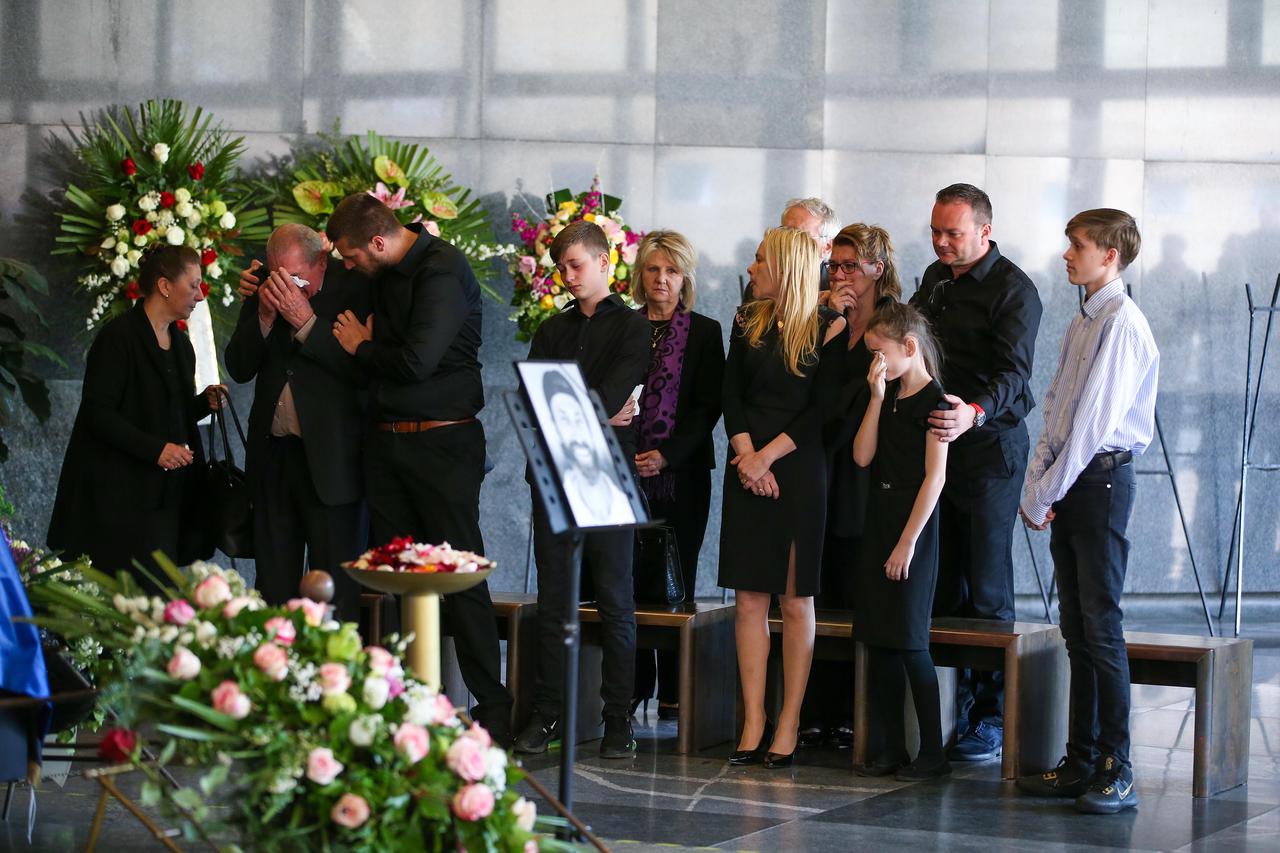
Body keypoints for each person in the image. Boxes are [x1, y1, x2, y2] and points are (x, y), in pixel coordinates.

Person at [326, 193, 513, 744]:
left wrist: (362, 348)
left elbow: (415, 362)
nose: (349, 267)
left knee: (459, 575)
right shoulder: (380, 271)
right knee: (399, 577)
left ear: (377, 242)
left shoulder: (442, 268)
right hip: (387, 446)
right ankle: (411, 701)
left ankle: (493, 708)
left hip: (443, 446)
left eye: (352, 257)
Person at [1016, 209, 1157, 815]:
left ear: (1110, 255)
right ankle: (1080, 760)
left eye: (1077, 245)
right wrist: (1037, 484)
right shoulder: (1084, 319)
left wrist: (1045, 491)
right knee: (1076, 627)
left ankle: (1116, 767)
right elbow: (1055, 410)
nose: (1066, 254)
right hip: (1075, 480)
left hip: (1100, 482)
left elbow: (1094, 425)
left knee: (1101, 626)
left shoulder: (1121, 322)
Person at [910, 183, 1043, 762]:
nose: (941, 242)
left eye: (953, 233)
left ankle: (990, 718)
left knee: (986, 589)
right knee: (943, 582)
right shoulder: (935, 279)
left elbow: (1014, 376)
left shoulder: (1015, 290)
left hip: (990, 449)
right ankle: (948, 713)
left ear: (985, 231)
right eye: (935, 231)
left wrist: (975, 411)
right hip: (939, 444)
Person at [514, 220, 650, 760]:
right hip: (554, 473)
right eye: (561, 268)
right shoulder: (552, 329)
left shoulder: (634, 326)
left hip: (608, 474)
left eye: (576, 265)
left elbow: (613, 394)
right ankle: (548, 713)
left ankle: (618, 719)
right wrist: (595, 411)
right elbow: (534, 400)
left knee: (615, 598)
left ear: (604, 262)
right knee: (554, 599)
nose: (567, 276)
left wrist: (585, 407)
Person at [720, 226, 847, 769]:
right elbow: (731, 395)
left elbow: (823, 411)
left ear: (786, 268)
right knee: (749, 600)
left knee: (795, 601)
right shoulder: (746, 320)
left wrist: (766, 459)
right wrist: (748, 457)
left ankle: (789, 720)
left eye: (760, 261)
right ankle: (754, 720)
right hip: (746, 464)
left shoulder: (829, 326)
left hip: (797, 468)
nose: (751, 269)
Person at [48, 245, 225, 585]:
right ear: (164, 286)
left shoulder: (181, 345)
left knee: (158, 596)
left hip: (167, 499)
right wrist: (156, 450)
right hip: (119, 499)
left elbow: (170, 412)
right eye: (193, 285)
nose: (200, 296)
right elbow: (98, 414)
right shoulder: (118, 338)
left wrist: (205, 403)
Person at [225, 224, 371, 620]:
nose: (285, 286)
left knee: (336, 592)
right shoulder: (264, 287)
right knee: (273, 589)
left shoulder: (356, 287)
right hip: (274, 457)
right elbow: (238, 366)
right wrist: (264, 315)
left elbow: (364, 372)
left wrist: (306, 322)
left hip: (332, 460)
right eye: (277, 276)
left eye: (296, 278)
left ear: (322, 261)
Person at [801, 223, 903, 748]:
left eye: (850, 266)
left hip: (868, 472)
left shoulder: (892, 327)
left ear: (876, 270)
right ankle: (816, 709)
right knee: (818, 590)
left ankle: (852, 713)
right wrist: (831, 324)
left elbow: (850, 405)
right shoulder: (826, 321)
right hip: (821, 467)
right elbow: (809, 395)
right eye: (834, 266)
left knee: (856, 588)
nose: (840, 275)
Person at [628, 230, 725, 719]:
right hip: (626, 472)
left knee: (675, 578)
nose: (661, 279)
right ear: (640, 275)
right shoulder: (623, 326)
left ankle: (672, 690)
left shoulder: (704, 332)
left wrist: (667, 455)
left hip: (682, 475)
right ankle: (632, 685)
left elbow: (709, 406)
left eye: (671, 270)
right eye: (653, 269)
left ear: (684, 277)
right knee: (628, 577)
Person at [851, 302, 950, 780]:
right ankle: (891, 748)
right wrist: (874, 397)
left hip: (914, 526)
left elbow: (935, 478)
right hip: (881, 516)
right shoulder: (887, 395)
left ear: (909, 347)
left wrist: (907, 543)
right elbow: (862, 456)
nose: (876, 363)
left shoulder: (937, 403)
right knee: (881, 641)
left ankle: (933, 753)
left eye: (880, 354)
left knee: (910, 641)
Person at [541, 368, 631, 526]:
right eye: (564, 420)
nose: (577, 434)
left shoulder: (618, 494)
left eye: (579, 417)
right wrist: (602, 418)